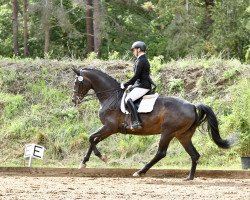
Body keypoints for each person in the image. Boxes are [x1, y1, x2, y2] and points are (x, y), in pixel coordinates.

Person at [121, 41, 154, 129]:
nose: (133, 52)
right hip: (140, 84)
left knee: (128, 99)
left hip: (143, 86)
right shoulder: (140, 60)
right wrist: (131, 85)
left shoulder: (141, 60)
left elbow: (136, 76)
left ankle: (136, 122)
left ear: (138, 49)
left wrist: (125, 84)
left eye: (134, 50)